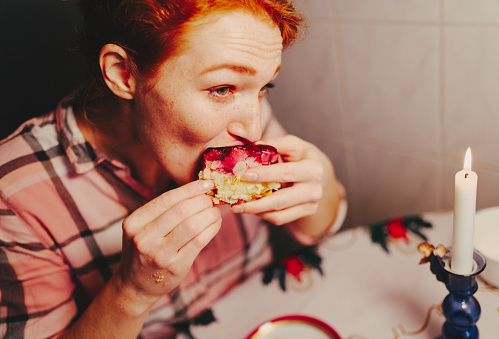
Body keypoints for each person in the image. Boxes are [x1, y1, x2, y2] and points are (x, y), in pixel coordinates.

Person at [0, 0, 347, 337]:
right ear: (123, 73)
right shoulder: (14, 192)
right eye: (223, 88)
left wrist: (322, 180)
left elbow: (318, 230)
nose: (253, 130)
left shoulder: (236, 123)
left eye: (263, 87)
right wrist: (131, 292)